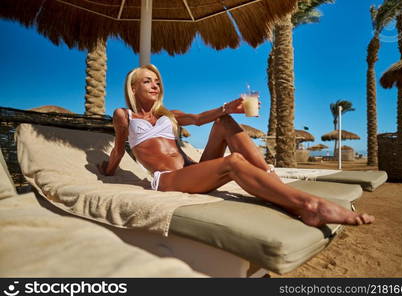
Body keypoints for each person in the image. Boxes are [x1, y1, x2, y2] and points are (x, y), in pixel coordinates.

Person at [97, 64, 374, 227]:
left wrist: (229, 107)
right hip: (167, 180)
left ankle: (273, 182)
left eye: (157, 81)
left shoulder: (167, 114)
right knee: (233, 163)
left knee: (224, 122)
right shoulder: (125, 115)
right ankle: (308, 205)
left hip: (193, 170)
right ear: (133, 88)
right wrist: (107, 171)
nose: (155, 85)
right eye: (147, 81)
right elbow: (120, 150)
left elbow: (198, 118)